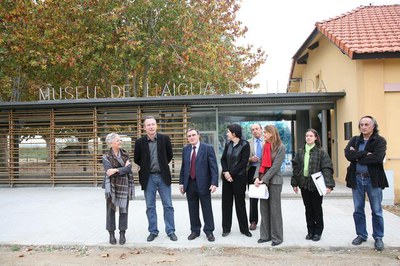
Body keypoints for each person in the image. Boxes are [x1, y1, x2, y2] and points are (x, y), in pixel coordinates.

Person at [344, 115, 388, 251]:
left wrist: (357, 155)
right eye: (361, 124)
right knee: (358, 209)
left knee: (376, 210)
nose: (363, 127)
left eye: (367, 124)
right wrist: (365, 154)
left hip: (372, 179)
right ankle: (361, 235)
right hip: (356, 178)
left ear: (373, 126)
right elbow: (348, 154)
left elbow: (378, 158)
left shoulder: (379, 141)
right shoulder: (355, 140)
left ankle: (378, 237)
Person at [134, 116, 177, 242]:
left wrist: (162, 165)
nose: (151, 126)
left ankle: (171, 231)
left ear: (156, 125)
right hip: (148, 178)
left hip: (163, 177)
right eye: (148, 125)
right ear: (144, 127)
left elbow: (170, 155)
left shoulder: (165, 139)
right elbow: (137, 159)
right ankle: (153, 231)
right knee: (150, 206)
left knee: (168, 205)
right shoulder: (139, 142)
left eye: (153, 124)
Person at [291, 129, 335, 242]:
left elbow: (327, 169)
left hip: (316, 185)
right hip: (304, 184)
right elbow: (296, 169)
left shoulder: (321, 152)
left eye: (311, 136)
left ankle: (318, 231)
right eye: (307, 136)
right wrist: (294, 183)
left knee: (317, 208)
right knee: (308, 208)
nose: (308, 138)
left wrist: (329, 184)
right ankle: (310, 230)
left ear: (316, 138)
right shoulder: (300, 152)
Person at [179, 128, 219, 242]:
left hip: (204, 184)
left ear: (198, 135)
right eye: (189, 136)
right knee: (192, 208)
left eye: (193, 135)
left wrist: (214, 183)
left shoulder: (208, 148)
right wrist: (181, 183)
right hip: (189, 184)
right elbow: (184, 168)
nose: (191, 137)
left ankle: (209, 231)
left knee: (207, 208)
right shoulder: (186, 149)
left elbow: (213, 167)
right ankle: (195, 231)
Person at [254, 125, 286, 246]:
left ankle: (277, 237)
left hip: (275, 182)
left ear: (272, 133)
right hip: (263, 182)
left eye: (265, 133)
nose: (264, 135)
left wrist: (264, 179)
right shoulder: (265, 146)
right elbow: (261, 163)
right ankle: (265, 235)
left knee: (275, 210)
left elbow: (275, 167)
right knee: (264, 209)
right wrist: (257, 177)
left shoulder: (281, 147)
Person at [102, 132, 134, 245]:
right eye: (117, 140)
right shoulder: (106, 156)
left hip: (124, 185)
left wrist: (116, 170)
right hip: (111, 186)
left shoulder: (125, 154)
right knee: (111, 210)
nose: (120, 142)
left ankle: (122, 233)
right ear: (111, 143)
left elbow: (129, 169)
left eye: (120, 140)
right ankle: (111, 234)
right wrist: (121, 169)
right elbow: (108, 172)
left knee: (124, 210)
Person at [221, 124, 252, 238]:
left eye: (228, 132)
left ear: (234, 133)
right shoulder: (228, 144)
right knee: (226, 204)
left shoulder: (245, 144)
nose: (227, 134)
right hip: (227, 178)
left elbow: (243, 163)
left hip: (239, 178)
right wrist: (226, 172)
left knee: (240, 204)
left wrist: (231, 173)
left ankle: (244, 229)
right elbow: (223, 159)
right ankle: (226, 229)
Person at [247, 123, 263, 231]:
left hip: (265, 171)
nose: (255, 131)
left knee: (266, 196)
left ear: (261, 129)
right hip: (252, 171)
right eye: (253, 130)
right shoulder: (248, 143)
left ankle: (267, 220)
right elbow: (244, 158)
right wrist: (250, 159)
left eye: (257, 129)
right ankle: (253, 221)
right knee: (253, 197)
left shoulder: (267, 141)